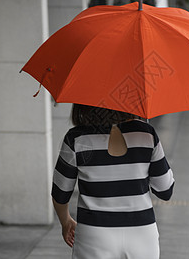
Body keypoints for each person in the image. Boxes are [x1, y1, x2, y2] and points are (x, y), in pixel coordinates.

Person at [52, 104, 175, 259]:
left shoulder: (76, 138)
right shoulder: (146, 133)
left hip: (94, 234)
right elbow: (165, 190)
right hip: (142, 235)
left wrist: (66, 221)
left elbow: (60, 193)